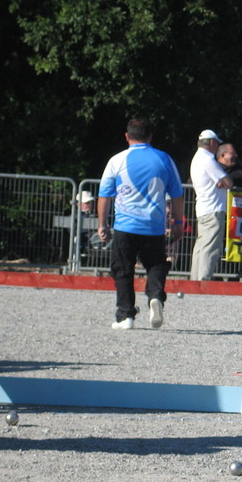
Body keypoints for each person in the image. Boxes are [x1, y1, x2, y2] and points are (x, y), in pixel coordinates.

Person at [97, 118, 184, 330]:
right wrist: (178, 222)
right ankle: (155, 297)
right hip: (153, 226)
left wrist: (103, 224)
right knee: (155, 265)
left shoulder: (117, 160)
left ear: (127, 136)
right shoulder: (164, 159)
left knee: (123, 269)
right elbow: (178, 195)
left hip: (125, 227)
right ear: (150, 136)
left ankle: (126, 316)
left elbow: (105, 196)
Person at [189, 129, 233, 281]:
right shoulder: (208, 160)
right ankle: (204, 281)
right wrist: (223, 181)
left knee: (201, 247)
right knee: (210, 248)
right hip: (213, 209)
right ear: (212, 142)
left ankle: (195, 280)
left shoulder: (197, 158)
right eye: (217, 143)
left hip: (202, 208)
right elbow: (228, 182)